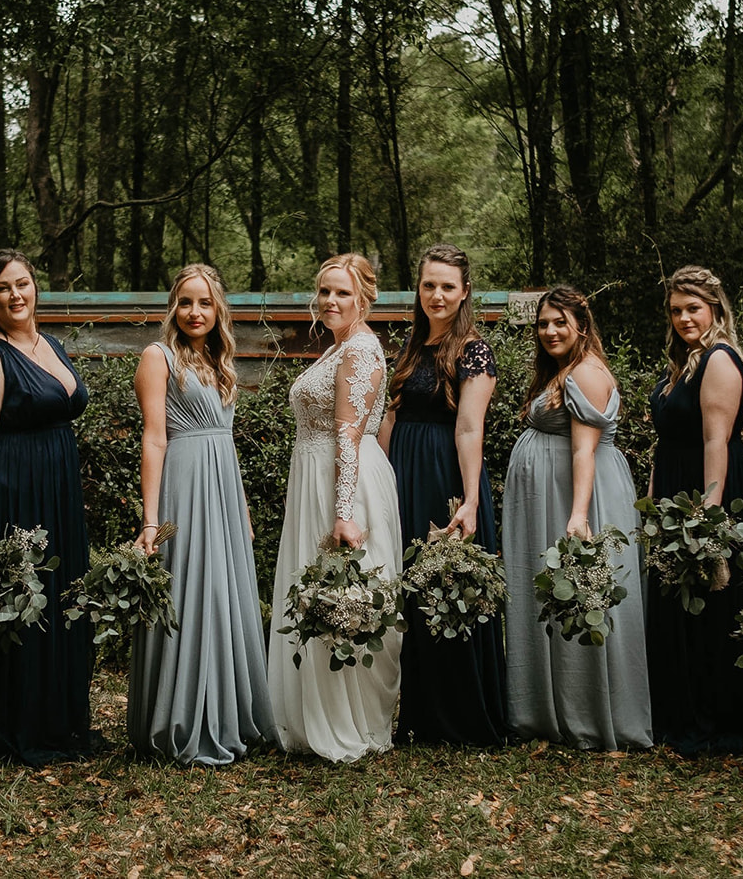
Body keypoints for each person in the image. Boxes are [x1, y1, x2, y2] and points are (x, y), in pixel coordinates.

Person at [0, 248, 97, 763]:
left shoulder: (50, 344)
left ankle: (59, 723)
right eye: (3, 288)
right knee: (24, 602)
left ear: (36, 287)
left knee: (61, 598)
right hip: (14, 489)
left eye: (23, 284)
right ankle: (17, 727)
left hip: (58, 490)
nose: (16, 295)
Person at [128, 264, 273, 764]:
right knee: (189, 593)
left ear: (218, 310)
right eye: (186, 302)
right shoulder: (158, 357)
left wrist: (242, 510)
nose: (195, 312)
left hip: (223, 492)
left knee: (223, 596)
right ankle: (182, 717)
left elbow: (226, 443)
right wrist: (151, 520)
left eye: (205, 303)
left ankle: (227, 713)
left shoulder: (219, 362)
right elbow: (153, 438)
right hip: (184, 487)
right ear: (174, 307)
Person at [267, 253, 403, 763]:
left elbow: (349, 436)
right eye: (325, 291)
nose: (330, 301)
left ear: (365, 297)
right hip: (316, 479)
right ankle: (311, 714)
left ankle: (349, 721)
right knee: (319, 593)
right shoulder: (339, 346)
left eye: (342, 292)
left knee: (345, 593)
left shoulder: (361, 350)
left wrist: (344, 513)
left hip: (342, 483)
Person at [503, 286, 652, 749]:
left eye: (559, 322)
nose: (549, 331)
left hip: (574, 496)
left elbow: (584, 450)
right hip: (553, 494)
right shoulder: (564, 369)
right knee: (558, 593)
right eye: (543, 324)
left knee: (581, 593)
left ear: (582, 326)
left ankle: (588, 712)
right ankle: (548, 706)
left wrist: (578, 516)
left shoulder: (585, 372)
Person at [377, 243, 506, 746]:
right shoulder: (412, 344)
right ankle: (421, 714)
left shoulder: (474, 350)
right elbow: (391, 418)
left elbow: (470, 428)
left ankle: (462, 717)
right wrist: (377, 481)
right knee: (413, 590)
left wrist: (469, 501)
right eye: (429, 285)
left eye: (447, 286)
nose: (437, 295)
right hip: (404, 476)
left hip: (447, 477)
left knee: (449, 588)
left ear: (465, 291)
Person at [645, 264, 743, 753]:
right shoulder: (682, 362)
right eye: (676, 310)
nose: (683, 318)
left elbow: (716, 440)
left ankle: (717, 715)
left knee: (712, 602)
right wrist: (653, 504)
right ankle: (679, 709)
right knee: (677, 602)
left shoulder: (718, 359)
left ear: (714, 308)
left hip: (707, 490)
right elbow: (666, 441)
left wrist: (709, 517)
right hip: (674, 488)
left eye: (693, 308)